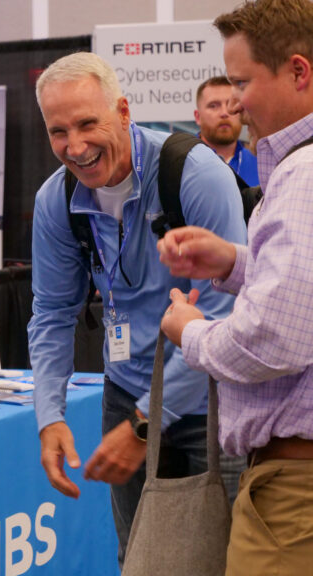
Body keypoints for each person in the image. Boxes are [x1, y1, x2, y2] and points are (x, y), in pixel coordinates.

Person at [27, 51, 247, 567]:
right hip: (127, 396)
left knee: (229, 558)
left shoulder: (194, 174)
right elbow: (52, 313)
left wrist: (148, 423)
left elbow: (225, 313)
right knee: (142, 557)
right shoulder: (56, 201)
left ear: (123, 111)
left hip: (213, 401)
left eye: (88, 124)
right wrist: (49, 416)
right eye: (58, 132)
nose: (75, 147)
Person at [159, 1, 313, 574]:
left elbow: (271, 339)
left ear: (298, 72)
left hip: (294, 493)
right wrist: (234, 263)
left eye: (243, 83)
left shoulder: (303, 175)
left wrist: (191, 332)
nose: (236, 103)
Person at [194, 76, 259, 186]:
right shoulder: (182, 164)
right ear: (198, 117)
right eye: (213, 106)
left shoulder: (260, 163)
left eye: (230, 103)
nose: (225, 113)